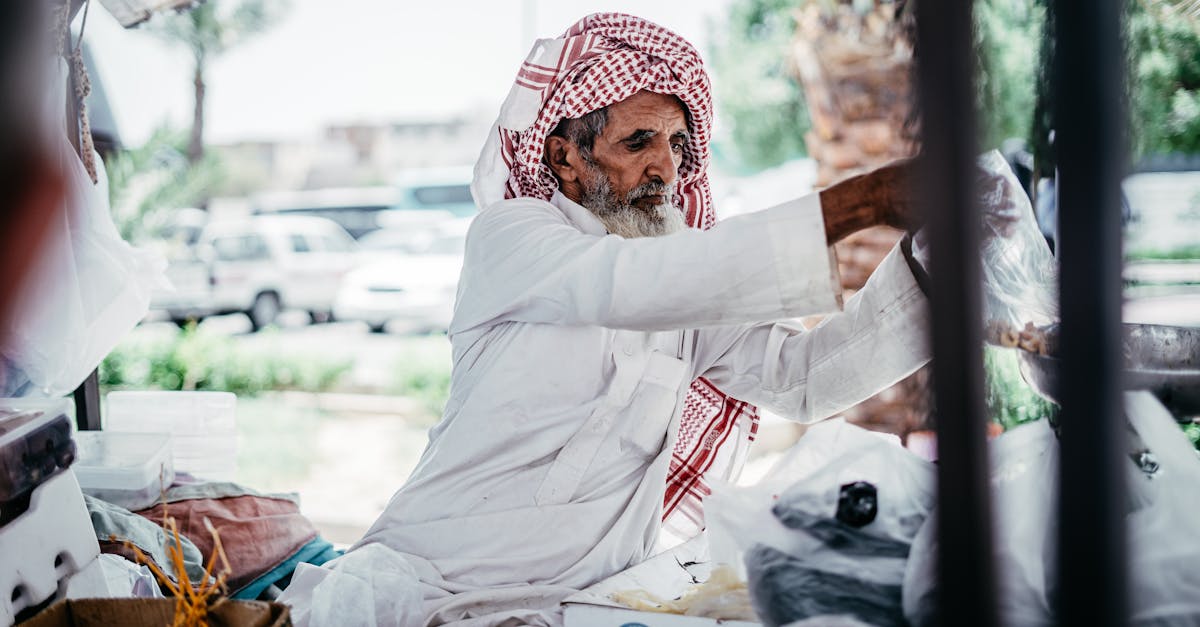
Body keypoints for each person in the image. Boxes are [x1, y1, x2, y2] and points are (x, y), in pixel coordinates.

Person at [280, 13, 946, 627]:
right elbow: (630, 288)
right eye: (639, 140)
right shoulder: (513, 237)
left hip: (591, 603)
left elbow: (803, 378)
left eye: (679, 143)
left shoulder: (679, 278)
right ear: (564, 157)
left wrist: (930, 269)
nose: (668, 165)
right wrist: (865, 200)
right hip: (432, 590)